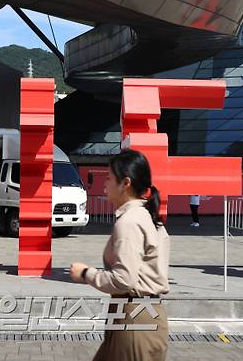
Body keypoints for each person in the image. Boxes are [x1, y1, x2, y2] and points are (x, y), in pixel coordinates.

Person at [70, 149, 170, 361]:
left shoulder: (130, 222)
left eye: (108, 178)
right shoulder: (148, 217)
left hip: (135, 318)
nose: (104, 184)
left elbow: (123, 280)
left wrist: (86, 273)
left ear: (125, 183)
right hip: (142, 314)